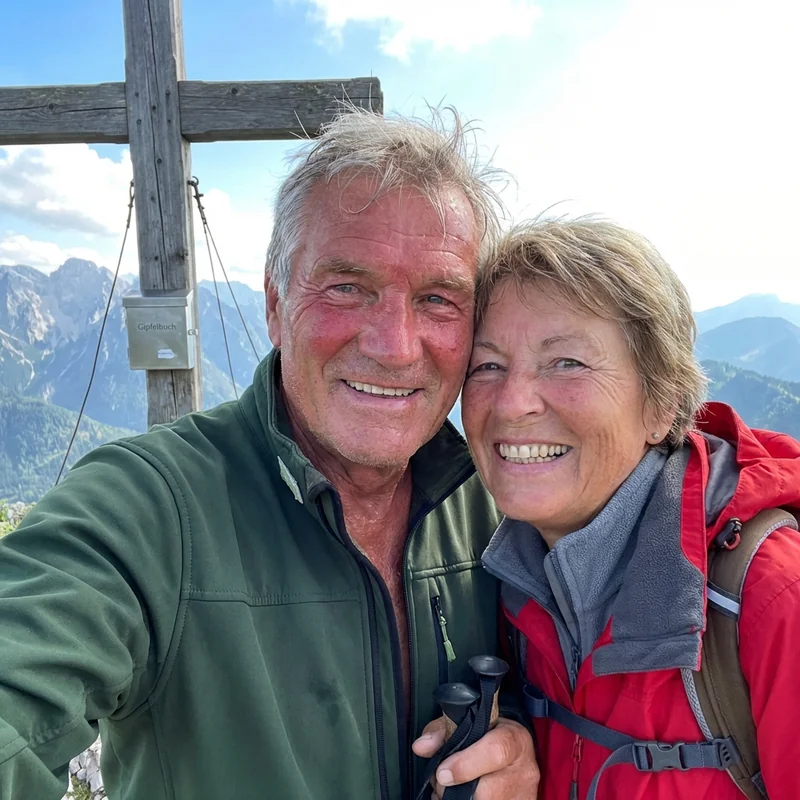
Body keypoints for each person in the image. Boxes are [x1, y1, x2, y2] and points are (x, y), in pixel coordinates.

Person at [0, 108, 538, 799]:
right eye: (348, 287)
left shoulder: (501, 506)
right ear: (276, 304)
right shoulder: (150, 508)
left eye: (438, 299)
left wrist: (520, 734)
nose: (396, 346)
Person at [461, 218, 800, 799]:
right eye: (486, 365)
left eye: (567, 362)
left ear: (663, 405)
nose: (512, 404)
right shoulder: (513, 581)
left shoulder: (770, 598)